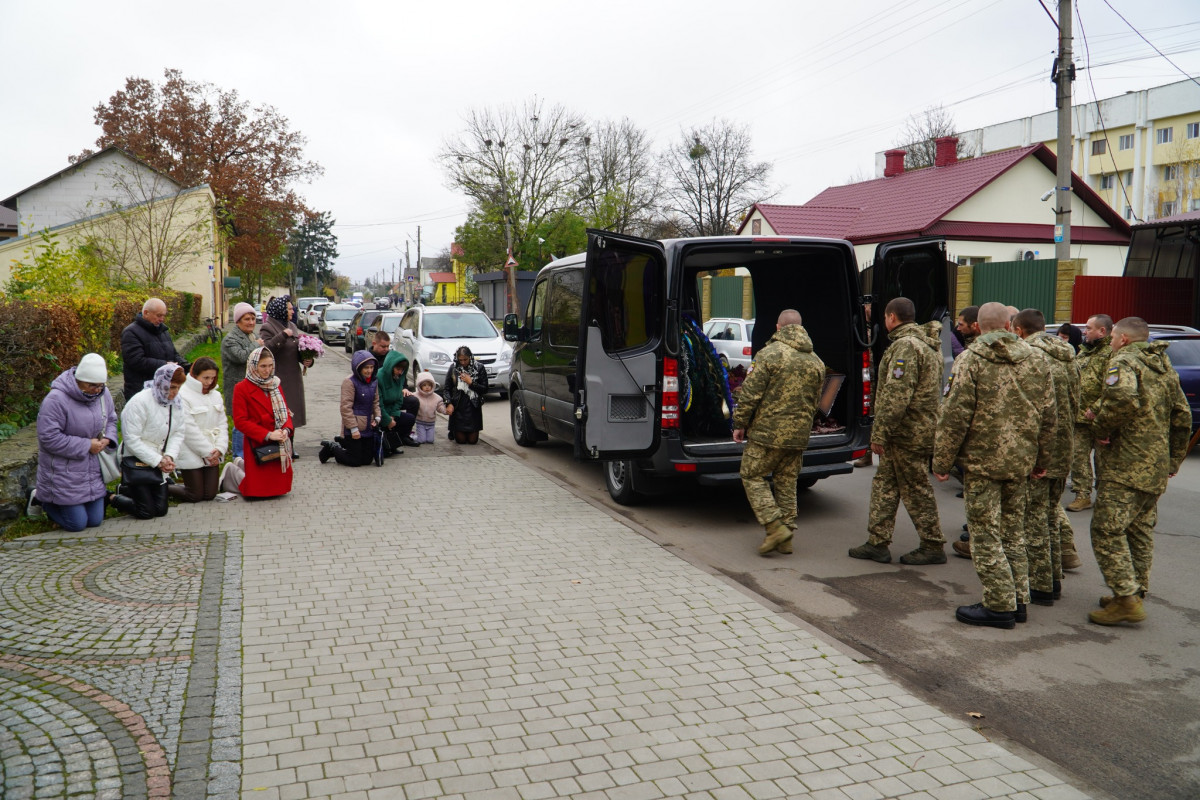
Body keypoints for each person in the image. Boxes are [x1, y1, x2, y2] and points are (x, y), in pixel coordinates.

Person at [933, 302, 1055, 629]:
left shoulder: (970, 360)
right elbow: (1049, 417)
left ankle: (1000, 605)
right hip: (1020, 462)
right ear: (1009, 323)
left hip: (982, 463)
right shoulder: (1037, 359)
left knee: (986, 535)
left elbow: (954, 417)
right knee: (1013, 532)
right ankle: (1018, 600)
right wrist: (1042, 459)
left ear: (979, 326)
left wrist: (942, 461)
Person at [1084, 316, 1191, 625]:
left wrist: (1101, 425)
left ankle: (1126, 598)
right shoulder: (1164, 368)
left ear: (1124, 340)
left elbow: (1122, 398)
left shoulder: (1124, 362)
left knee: (1107, 530)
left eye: (1114, 337)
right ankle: (1132, 592)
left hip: (1125, 465)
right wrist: (1173, 460)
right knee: (1139, 530)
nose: (1113, 342)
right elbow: (1182, 416)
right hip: (1154, 466)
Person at [849, 298, 945, 565]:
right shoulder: (925, 344)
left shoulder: (906, 347)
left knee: (915, 488)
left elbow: (896, 396)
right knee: (886, 485)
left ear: (892, 317)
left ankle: (933, 544)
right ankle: (877, 542)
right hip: (911, 430)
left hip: (907, 433)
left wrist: (878, 434)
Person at [731, 309, 826, 556]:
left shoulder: (769, 355)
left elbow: (751, 394)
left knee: (751, 474)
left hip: (767, 434)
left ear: (777, 327)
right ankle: (786, 538)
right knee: (786, 481)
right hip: (798, 436)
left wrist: (739, 423)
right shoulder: (816, 361)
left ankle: (774, 527)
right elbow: (816, 402)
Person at [1013, 309, 1079, 606]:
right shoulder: (1068, 355)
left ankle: (1040, 585)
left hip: (1041, 449)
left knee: (1034, 519)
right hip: (1065, 448)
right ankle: (1051, 579)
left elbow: (1033, 411)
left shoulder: (1031, 357)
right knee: (1050, 516)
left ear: (1018, 330)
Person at [33, 353, 130, 530]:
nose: (96, 390)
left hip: (92, 469)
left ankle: (73, 506)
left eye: (100, 385)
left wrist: (108, 439)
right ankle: (42, 500)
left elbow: (111, 419)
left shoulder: (103, 394)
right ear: (79, 380)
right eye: (91, 385)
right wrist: (87, 445)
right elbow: (48, 438)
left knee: (94, 521)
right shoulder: (56, 400)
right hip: (64, 470)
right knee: (76, 524)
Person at [119, 363, 187, 520]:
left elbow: (178, 432)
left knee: (161, 510)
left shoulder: (176, 402)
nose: (174, 392)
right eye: (171, 387)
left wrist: (170, 456)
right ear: (161, 383)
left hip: (160, 460)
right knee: (147, 512)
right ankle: (115, 497)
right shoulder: (139, 402)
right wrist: (158, 461)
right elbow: (131, 440)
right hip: (138, 460)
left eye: (178, 388)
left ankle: (131, 491)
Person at [226, 347, 294, 497]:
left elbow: (285, 412)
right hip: (258, 442)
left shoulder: (275, 384)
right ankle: (232, 472)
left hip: (278, 440)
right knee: (256, 491)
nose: (267, 370)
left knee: (279, 490)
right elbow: (240, 421)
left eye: (270, 366)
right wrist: (268, 435)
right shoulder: (241, 388)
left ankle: (238, 466)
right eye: (263, 366)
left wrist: (286, 430)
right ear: (253, 365)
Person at [1066, 314, 1113, 513]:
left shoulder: (1112, 353)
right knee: (1078, 457)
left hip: (1101, 417)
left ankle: (1104, 497)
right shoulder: (1084, 353)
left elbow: (1113, 388)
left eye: (1088, 328)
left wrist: (1096, 408)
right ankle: (1082, 495)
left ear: (1102, 331)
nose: (1085, 332)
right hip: (1079, 416)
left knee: (1103, 460)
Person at [171, 358, 228, 503]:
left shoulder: (215, 394)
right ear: (195, 376)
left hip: (213, 450)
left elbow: (222, 423)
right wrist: (207, 452)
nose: (209, 382)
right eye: (205, 378)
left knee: (210, 494)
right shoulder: (183, 395)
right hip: (191, 449)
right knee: (195, 495)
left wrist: (220, 448)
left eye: (212, 378)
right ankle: (161, 487)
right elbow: (188, 429)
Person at [318, 351, 383, 467]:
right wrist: (353, 428)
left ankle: (343, 443)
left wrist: (377, 417)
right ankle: (333, 448)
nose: (369, 371)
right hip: (353, 427)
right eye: (366, 368)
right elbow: (345, 408)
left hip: (368, 425)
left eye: (372, 367)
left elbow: (375, 401)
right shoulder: (350, 382)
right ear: (358, 367)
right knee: (355, 461)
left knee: (367, 460)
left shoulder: (374, 381)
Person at [120, 297, 187, 403]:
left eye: (164, 315)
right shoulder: (131, 332)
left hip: (163, 389)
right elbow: (136, 361)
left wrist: (187, 366)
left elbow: (173, 354)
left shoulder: (163, 331)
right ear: (146, 313)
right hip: (141, 391)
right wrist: (165, 365)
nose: (162, 319)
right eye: (159, 315)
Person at [261, 295, 311, 432]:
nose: (293, 311)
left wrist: (307, 359)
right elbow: (266, 350)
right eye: (289, 309)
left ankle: (291, 444)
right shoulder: (267, 327)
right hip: (278, 377)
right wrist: (282, 335)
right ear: (281, 310)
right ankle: (280, 445)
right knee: (279, 412)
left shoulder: (292, 325)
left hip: (293, 377)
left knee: (292, 413)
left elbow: (296, 348)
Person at [222, 302, 261, 458]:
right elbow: (240, 356)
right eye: (247, 319)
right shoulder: (230, 339)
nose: (251, 322)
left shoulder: (253, 336)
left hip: (253, 387)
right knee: (240, 423)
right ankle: (239, 457)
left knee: (252, 422)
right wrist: (255, 345)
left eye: (253, 318)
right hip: (236, 387)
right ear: (238, 321)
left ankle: (250, 454)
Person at [442, 345, 488, 444]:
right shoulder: (453, 368)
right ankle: (453, 430)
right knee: (461, 440)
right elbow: (446, 389)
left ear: (470, 357)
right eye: (460, 360)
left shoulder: (479, 367)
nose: (463, 362)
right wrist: (448, 403)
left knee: (472, 441)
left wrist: (471, 383)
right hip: (458, 407)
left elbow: (484, 389)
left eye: (465, 360)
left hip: (473, 407)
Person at [376, 349, 420, 454]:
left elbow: (399, 400)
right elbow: (378, 403)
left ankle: (395, 443)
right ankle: (386, 444)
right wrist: (387, 419)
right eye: (398, 369)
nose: (400, 372)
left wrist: (393, 415)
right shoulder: (379, 377)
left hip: (390, 411)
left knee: (409, 419)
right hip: (379, 413)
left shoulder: (398, 377)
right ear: (391, 366)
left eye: (402, 370)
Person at [412, 370, 447, 444]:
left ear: (432, 386)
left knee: (430, 441)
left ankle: (424, 436)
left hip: (431, 423)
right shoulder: (415, 396)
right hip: (420, 422)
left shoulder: (436, 397)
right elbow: (409, 402)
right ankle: (412, 436)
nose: (427, 387)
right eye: (424, 385)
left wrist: (445, 410)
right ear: (420, 386)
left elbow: (440, 406)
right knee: (421, 440)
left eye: (429, 385)